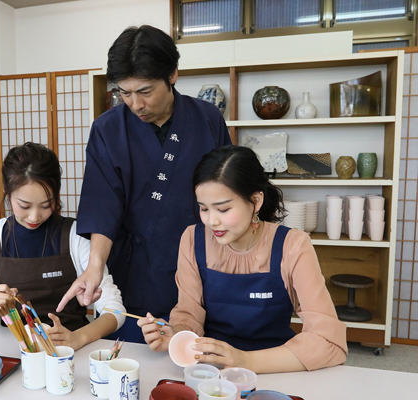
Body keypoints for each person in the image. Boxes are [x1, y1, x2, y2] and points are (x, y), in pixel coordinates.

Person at [57, 25, 231, 343]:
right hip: (134, 272)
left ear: (173, 75)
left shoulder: (207, 119)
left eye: (145, 91)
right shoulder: (107, 129)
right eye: (124, 92)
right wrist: (94, 266)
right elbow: (102, 204)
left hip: (200, 269)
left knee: (197, 364)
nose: (135, 104)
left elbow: (227, 196)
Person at [138, 145, 348, 373]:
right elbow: (189, 313)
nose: (212, 222)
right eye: (204, 209)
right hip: (209, 369)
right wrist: (176, 333)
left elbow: (329, 342)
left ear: (256, 201)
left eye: (223, 209)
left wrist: (244, 361)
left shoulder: (292, 245)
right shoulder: (192, 238)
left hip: (275, 367)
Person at [0, 142, 125, 351]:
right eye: (24, 206)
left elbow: (114, 310)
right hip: (14, 351)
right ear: (7, 194)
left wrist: (78, 338)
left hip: (69, 352)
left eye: (46, 205)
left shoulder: (75, 235)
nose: (35, 217)